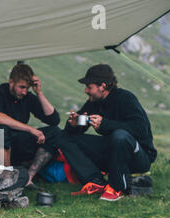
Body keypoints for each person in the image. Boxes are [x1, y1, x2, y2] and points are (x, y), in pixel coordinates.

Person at [56, 64, 157, 201]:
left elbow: (140, 128)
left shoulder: (125, 98)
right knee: (63, 137)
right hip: (112, 152)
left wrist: (105, 124)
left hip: (139, 156)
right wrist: (73, 124)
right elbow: (78, 127)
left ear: (102, 86)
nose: (86, 90)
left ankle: (118, 188)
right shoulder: (94, 102)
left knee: (120, 136)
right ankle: (96, 181)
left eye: (89, 87)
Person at [0, 62, 61, 186]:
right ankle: (6, 177)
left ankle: (29, 177)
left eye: (27, 88)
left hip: (18, 143)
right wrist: (30, 129)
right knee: (1, 129)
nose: (24, 92)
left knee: (54, 132)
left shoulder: (27, 97)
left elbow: (54, 119)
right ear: (11, 82)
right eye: (22, 87)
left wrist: (39, 92)